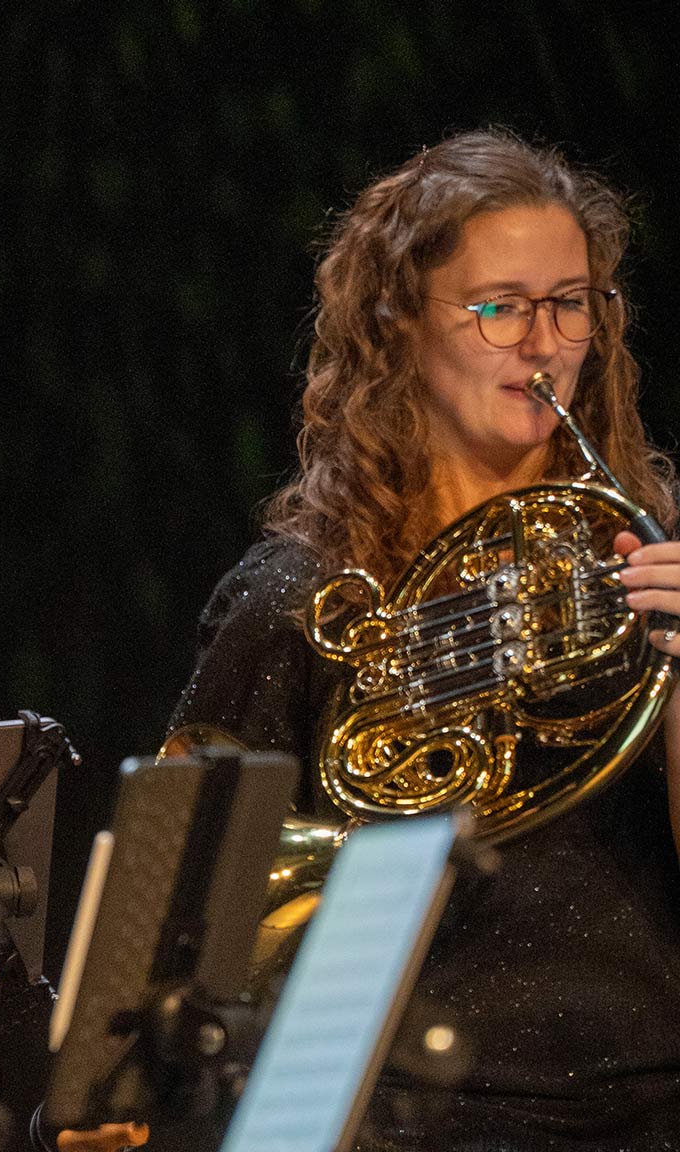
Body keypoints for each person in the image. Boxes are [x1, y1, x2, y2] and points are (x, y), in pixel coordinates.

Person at [171, 129, 680, 1149]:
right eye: (498, 308)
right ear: (399, 323)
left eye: (570, 303)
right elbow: (182, 910)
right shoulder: (298, 596)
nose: (543, 345)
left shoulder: (647, 555)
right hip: (405, 1119)